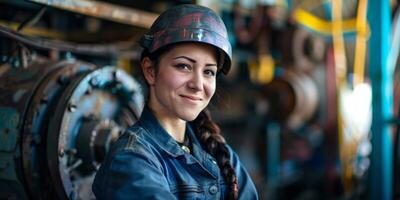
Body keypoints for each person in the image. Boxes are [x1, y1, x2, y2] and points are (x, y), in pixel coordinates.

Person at [92, 4, 258, 200]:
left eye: (208, 72)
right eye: (184, 66)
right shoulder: (130, 159)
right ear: (150, 71)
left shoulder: (219, 153)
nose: (198, 84)